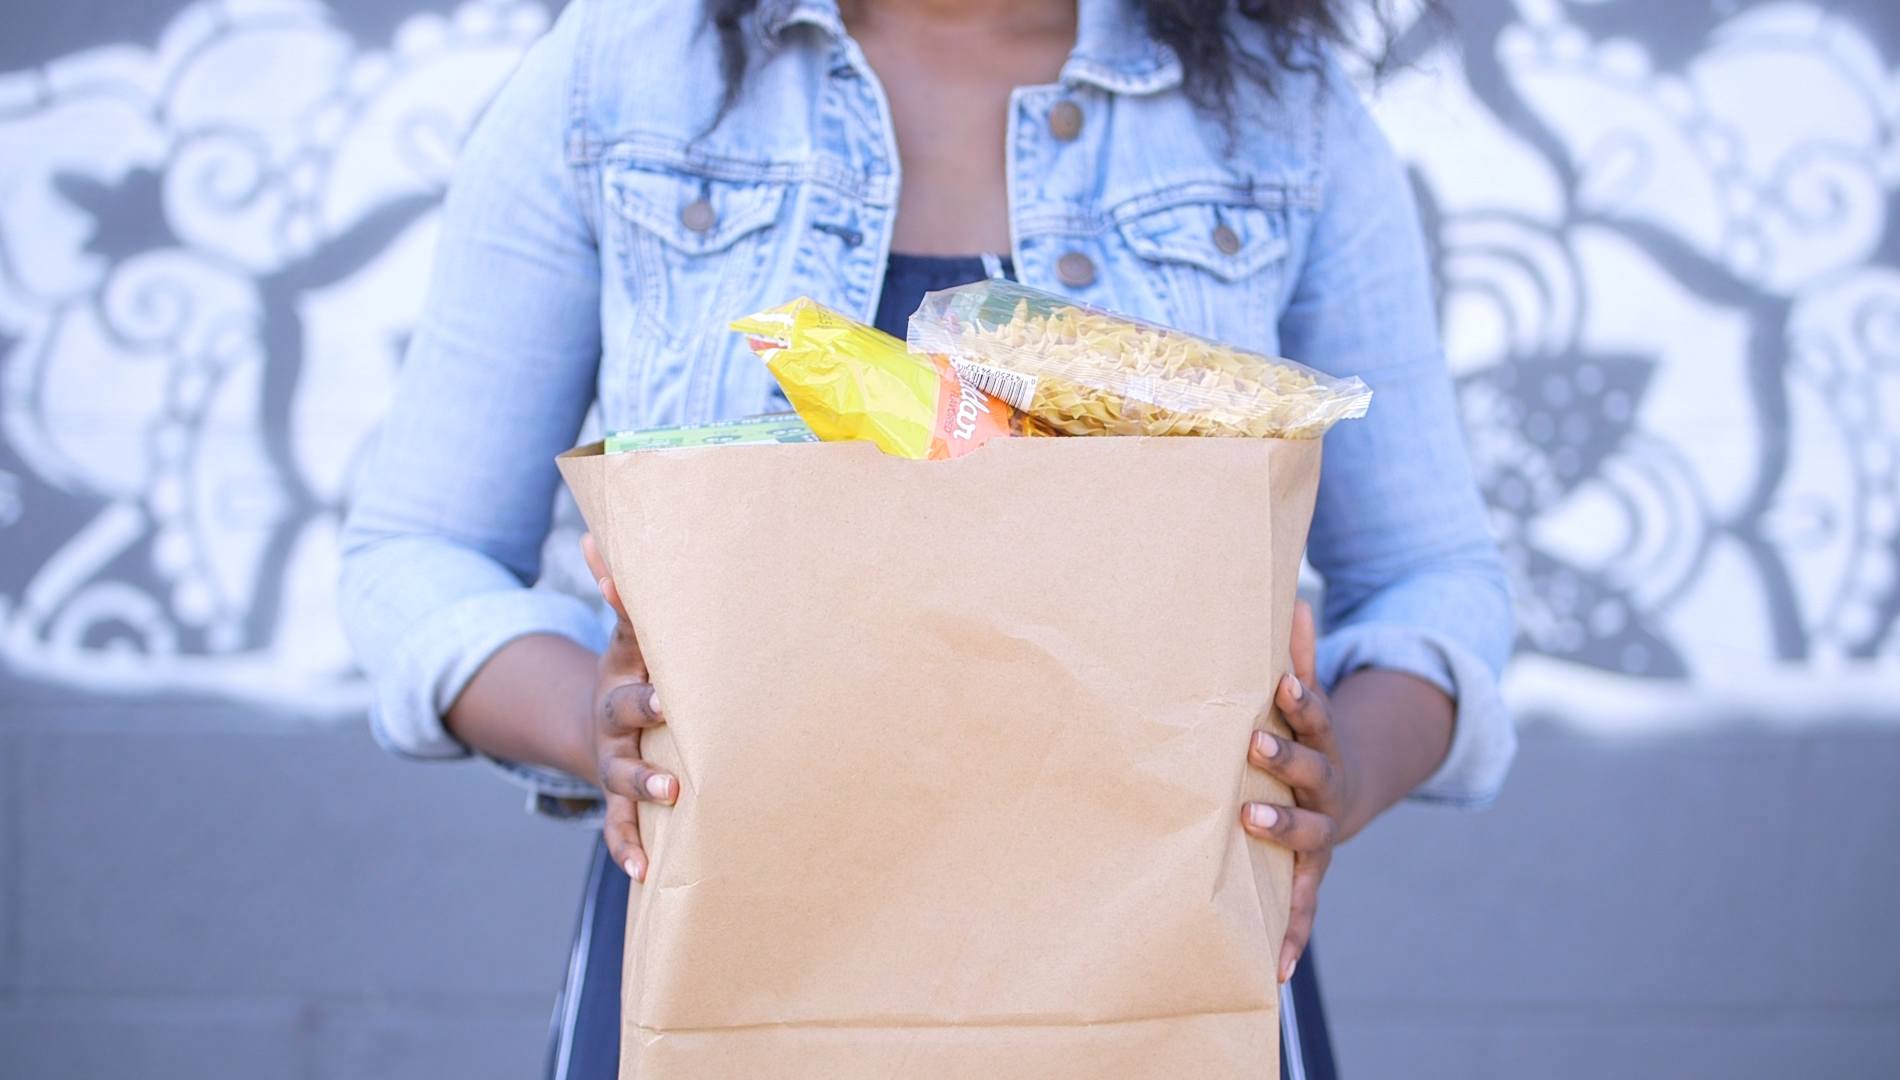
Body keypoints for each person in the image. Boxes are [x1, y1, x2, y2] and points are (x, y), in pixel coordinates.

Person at [338, 1, 1515, 1076]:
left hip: (1160, 967)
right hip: (732, 957)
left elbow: (1432, 578)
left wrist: (1337, 776)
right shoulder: (618, 82)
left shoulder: (1282, 107)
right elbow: (414, 556)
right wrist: (604, 733)